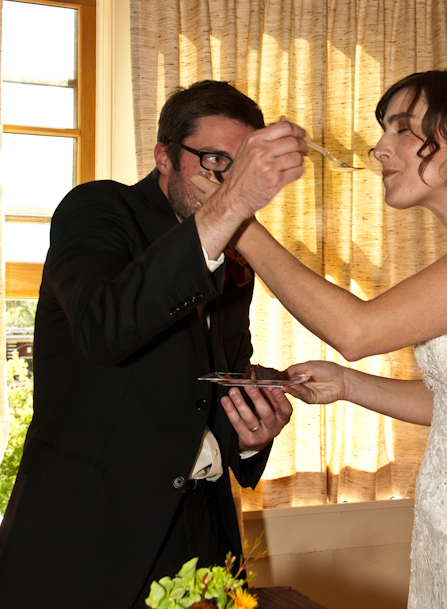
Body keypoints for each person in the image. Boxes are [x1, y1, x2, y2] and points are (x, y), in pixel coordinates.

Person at [193, 67, 447, 607]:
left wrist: (238, 222)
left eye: (402, 128)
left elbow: (356, 330)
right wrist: (349, 385)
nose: (379, 149)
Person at [0, 80, 306, 609]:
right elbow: (104, 328)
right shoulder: (99, 208)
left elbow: (216, 380)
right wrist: (227, 210)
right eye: (215, 160)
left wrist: (250, 438)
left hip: (203, 533)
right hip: (87, 540)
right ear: (164, 156)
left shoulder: (235, 254)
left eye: (240, 169)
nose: (227, 182)